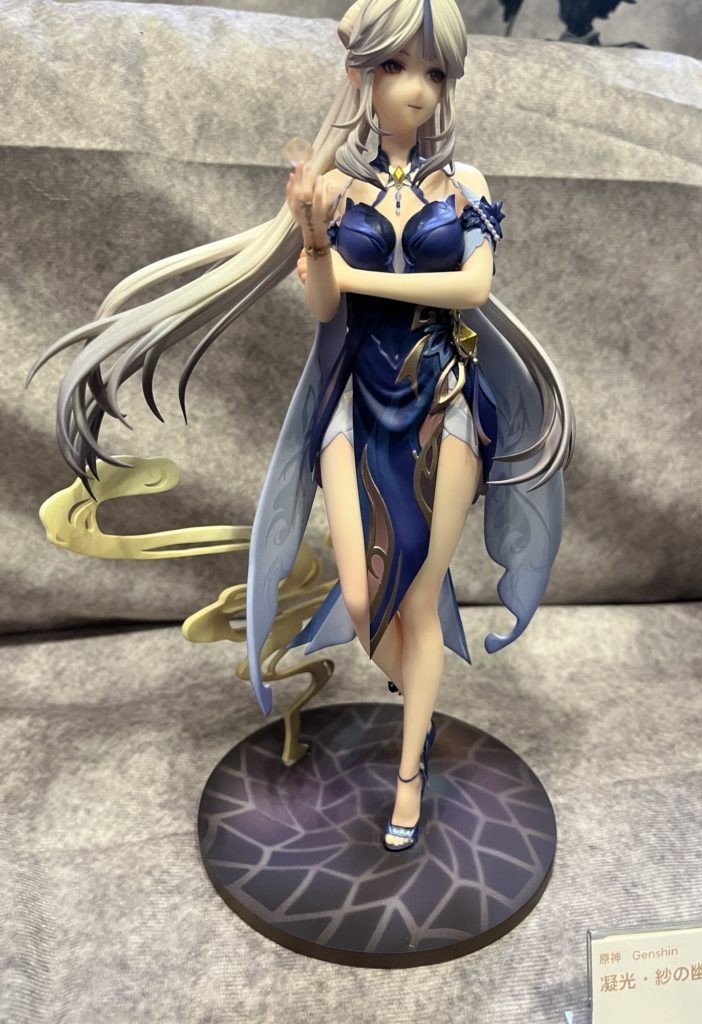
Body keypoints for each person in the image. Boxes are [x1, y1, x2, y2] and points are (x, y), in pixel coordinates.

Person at [27, 0, 574, 853]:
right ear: (363, 72)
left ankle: (409, 774)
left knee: (418, 597)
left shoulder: (466, 184)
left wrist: (361, 277)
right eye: (397, 66)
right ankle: (419, 698)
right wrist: (316, 238)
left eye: (435, 72)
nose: (417, 89)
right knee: (361, 598)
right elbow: (323, 305)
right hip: (355, 402)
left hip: (446, 402)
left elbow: (472, 289)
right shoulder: (337, 185)